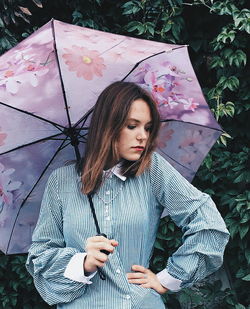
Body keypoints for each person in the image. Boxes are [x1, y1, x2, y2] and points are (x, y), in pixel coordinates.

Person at [26, 81, 229, 309]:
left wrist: (167, 279)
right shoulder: (61, 181)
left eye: (148, 128)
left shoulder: (152, 170)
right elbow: (41, 256)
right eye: (132, 126)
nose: (143, 136)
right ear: (107, 126)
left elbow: (208, 223)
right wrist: (84, 262)